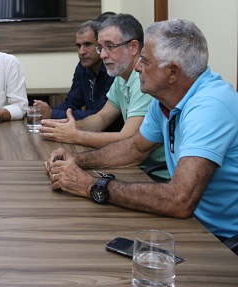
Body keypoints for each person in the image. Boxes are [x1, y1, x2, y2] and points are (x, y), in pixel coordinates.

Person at [45, 19, 238, 249]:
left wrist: (92, 185)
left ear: (173, 72)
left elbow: (179, 199)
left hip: (220, 240)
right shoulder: (165, 99)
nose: (138, 67)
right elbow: (134, 149)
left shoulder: (210, 106)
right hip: (189, 224)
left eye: (145, 61)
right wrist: (76, 160)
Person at [39, 13, 167, 177]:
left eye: (110, 46)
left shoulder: (144, 79)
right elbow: (101, 119)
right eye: (101, 48)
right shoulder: (121, 77)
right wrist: (68, 127)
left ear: (133, 47)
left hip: (153, 173)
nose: (103, 55)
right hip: (132, 164)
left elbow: (128, 139)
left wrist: (76, 136)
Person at [34, 17, 122, 132]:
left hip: (110, 134)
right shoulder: (82, 67)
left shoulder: (112, 70)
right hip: (88, 131)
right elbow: (72, 102)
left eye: (87, 44)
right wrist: (48, 112)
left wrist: (53, 113)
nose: (82, 51)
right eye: (78, 46)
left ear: (100, 45)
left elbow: (98, 114)